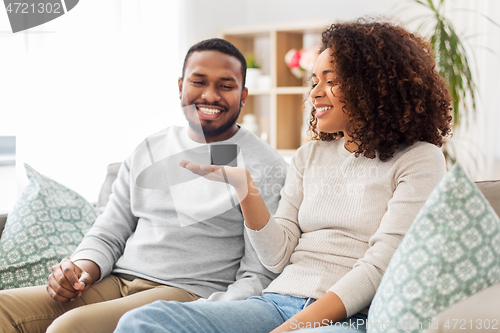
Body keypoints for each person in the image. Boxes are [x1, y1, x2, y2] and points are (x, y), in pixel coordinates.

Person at [113, 18, 453, 333]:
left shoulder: (420, 159)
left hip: (350, 316)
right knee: (145, 321)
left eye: (332, 81)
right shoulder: (310, 156)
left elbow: (378, 267)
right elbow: (277, 255)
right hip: (275, 303)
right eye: (315, 80)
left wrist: (292, 329)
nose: (315, 93)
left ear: (374, 86)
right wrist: (247, 192)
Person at [0, 38, 288, 333]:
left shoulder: (265, 166)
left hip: (186, 294)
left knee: (69, 327)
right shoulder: (150, 147)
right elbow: (110, 229)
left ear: (243, 95)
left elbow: (259, 274)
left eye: (226, 86)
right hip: (116, 280)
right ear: (180, 86)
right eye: (198, 82)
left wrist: (206, 315)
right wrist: (79, 269)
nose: (210, 95)